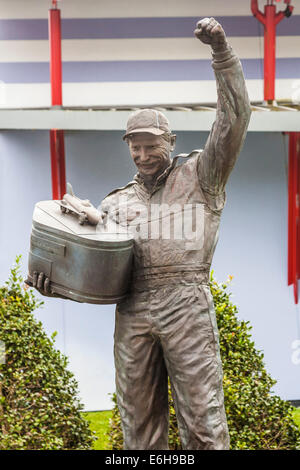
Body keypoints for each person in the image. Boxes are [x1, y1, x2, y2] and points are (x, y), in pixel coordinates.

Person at [33, 17, 251, 450]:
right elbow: (102, 276)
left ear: (170, 140)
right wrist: (56, 282)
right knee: (138, 428)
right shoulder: (115, 204)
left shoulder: (202, 175)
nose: (143, 153)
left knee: (203, 422)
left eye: (152, 144)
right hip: (133, 310)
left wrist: (222, 54)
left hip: (185, 302)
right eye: (135, 145)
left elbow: (234, 119)